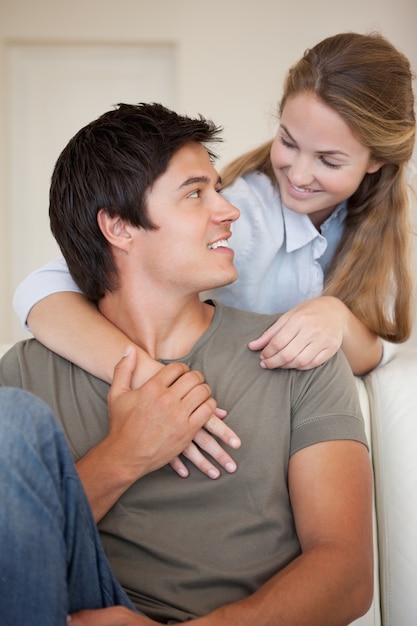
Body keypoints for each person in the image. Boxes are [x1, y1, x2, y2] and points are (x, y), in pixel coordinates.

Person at [1, 102, 373, 625]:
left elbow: (348, 575)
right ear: (120, 228)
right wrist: (125, 454)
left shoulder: (296, 358)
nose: (229, 211)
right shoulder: (25, 374)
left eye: (217, 189)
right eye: (196, 194)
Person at [13, 31, 416, 381]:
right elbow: (42, 288)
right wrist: (142, 376)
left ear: (377, 161)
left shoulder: (377, 225)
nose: (298, 174)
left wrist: (336, 319)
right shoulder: (239, 216)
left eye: (328, 160)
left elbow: (379, 351)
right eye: (288, 142)